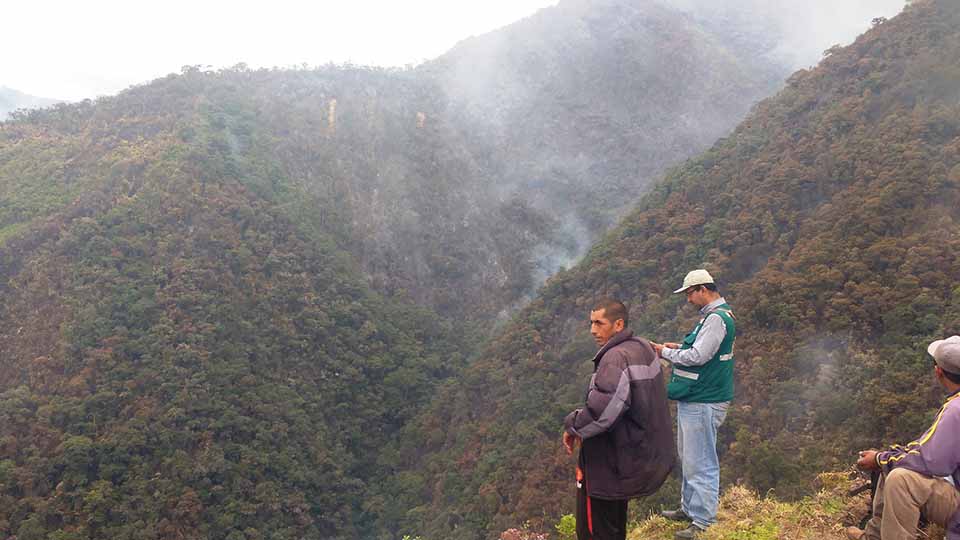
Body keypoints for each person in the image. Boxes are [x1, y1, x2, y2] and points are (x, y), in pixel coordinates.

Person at [563, 298, 675, 540]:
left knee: (595, 531)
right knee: (614, 527)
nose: (593, 330)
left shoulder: (615, 358)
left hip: (608, 463)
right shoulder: (642, 347)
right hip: (630, 456)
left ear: (618, 324)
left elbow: (601, 413)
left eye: (599, 323)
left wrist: (571, 425)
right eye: (591, 323)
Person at [846, 336, 960, 540]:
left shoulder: (955, 410)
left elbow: (931, 461)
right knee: (892, 462)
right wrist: (886, 457)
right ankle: (875, 536)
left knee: (901, 479)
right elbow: (931, 448)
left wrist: (880, 458)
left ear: (939, 372)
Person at [650, 269, 736, 540]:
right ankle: (689, 508)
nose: (688, 299)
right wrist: (677, 348)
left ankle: (703, 521)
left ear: (703, 289)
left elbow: (699, 356)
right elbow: (703, 351)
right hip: (696, 398)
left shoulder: (716, 319)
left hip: (704, 400)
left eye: (690, 293)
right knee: (689, 456)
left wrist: (664, 352)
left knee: (701, 461)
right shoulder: (713, 318)